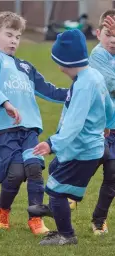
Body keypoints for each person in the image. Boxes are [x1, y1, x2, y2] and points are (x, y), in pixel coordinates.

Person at [0, 11, 68, 235]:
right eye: (8, 35)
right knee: (16, 173)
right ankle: (1, 208)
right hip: (4, 130)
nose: (13, 41)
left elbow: (49, 91)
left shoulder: (26, 67)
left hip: (30, 129)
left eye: (17, 37)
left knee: (35, 169)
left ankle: (36, 219)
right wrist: (6, 103)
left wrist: (78, 92)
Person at [29, 29, 114, 245]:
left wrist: (51, 143)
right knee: (55, 170)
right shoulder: (92, 75)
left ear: (64, 62)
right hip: (86, 147)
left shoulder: (84, 86)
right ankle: (58, 208)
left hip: (82, 149)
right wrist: (109, 125)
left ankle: (66, 235)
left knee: (56, 190)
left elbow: (74, 124)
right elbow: (108, 105)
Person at [87, 10, 115, 235]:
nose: (113, 39)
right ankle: (65, 197)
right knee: (84, 167)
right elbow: (111, 82)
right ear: (98, 33)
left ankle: (99, 219)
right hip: (97, 129)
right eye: (109, 34)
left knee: (113, 176)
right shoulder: (97, 56)